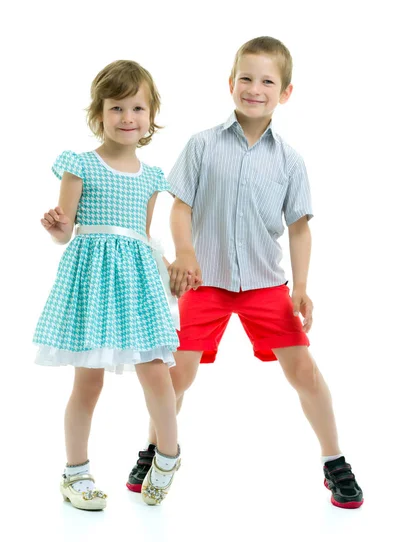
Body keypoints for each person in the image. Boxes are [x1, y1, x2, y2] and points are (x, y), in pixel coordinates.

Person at [127, 37, 364, 509]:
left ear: (286, 92)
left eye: (267, 81)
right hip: (203, 282)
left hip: (265, 285)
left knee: (305, 371)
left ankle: (334, 460)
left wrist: (300, 288)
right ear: (231, 83)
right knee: (176, 376)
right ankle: (155, 449)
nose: (255, 89)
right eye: (247, 79)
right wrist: (186, 253)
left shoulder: (290, 160)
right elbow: (181, 207)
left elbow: (299, 230)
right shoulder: (202, 145)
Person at [34, 60, 182, 508]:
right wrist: (56, 226)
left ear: (150, 115)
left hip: (137, 284)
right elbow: (67, 232)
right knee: (89, 383)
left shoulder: (153, 177)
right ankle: (75, 473)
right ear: (99, 112)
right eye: (116, 108)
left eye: (137, 108)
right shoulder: (80, 165)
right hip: (93, 282)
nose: (127, 118)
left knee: (156, 373)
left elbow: (144, 235)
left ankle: (168, 456)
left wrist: (171, 267)